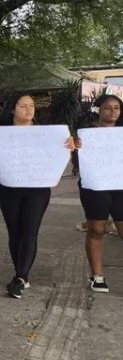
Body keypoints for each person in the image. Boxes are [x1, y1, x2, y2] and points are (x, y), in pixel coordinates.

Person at [0, 93, 75, 299]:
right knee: (15, 231)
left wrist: (70, 146)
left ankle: (20, 277)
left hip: (37, 188)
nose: (29, 110)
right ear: (12, 109)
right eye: (23, 106)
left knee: (30, 231)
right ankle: (21, 273)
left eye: (32, 106)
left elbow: (59, 155)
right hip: (7, 187)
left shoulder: (46, 134)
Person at [74, 94, 123, 293]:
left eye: (117, 108)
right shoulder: (86, 135)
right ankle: (97, 276)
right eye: (107, 108)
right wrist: (75, 148)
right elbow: (78, 164)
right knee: (97, 230)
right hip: (94, 186)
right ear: (98, 110)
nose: (112, 112)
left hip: (120, 186)